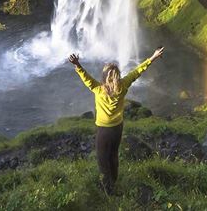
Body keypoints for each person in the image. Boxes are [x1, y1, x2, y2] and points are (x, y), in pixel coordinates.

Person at [68, 47, 165, 194]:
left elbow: (86, 77)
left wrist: (77, 64)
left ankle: (109, 190)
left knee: (102, 159)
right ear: (117, 76)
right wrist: (153, 57)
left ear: (105, 77)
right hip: (118, 127)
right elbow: (138, 71)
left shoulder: (98, 89)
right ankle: (114, 180)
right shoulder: (123, 86)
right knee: (113, 154)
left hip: (104, 130)